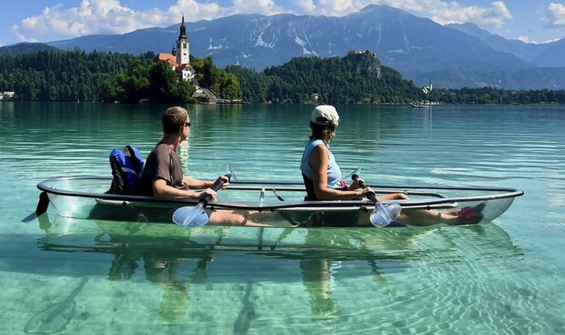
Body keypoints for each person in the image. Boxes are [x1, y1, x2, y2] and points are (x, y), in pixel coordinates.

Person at [300, 105, 485, 227]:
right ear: (332, 127)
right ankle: (455, 220)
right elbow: (322, 192)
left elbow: (324, 188)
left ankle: (454, 214)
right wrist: (358, 193)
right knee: (401, 201)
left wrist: (350, 188)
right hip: (336, 213)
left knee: (402, 210)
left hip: (338, 207)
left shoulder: (314, 146)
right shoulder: (320, 150)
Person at [139, 106, 264, 226]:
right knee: (235, 218)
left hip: (183, 204)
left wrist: (209, 184)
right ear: (183, 127)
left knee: (242, 208)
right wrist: (196, 195)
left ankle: (275, 217)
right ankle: (277, 242)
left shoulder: (169, 151)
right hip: (173, 211)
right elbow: (159, 190)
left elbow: (180, 179)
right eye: (190, 124)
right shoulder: (162, 153)